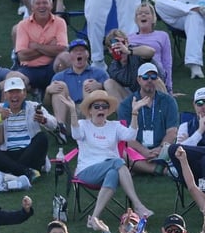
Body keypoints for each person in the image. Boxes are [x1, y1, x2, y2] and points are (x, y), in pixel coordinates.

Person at [56, 89, 153, 224]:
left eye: (104, 106)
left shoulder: (115, 126)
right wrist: (72, 110)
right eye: (97, 106)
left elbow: (131, 136)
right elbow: (76, 134)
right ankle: (137, 205)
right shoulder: (83, 124)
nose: (101, 109)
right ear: (90, 110)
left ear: (108, 111)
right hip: (87, 171)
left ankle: (94, 218)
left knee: (113, 173)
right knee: (118, 162)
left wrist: (135, 113)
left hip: (111, 168)